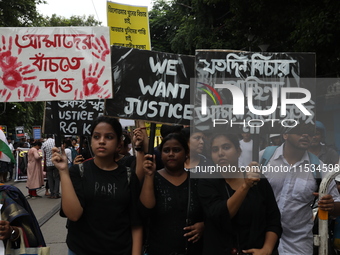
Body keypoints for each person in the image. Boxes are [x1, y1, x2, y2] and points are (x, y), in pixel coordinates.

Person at [51, 116, 142, 255]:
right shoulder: (78, 171)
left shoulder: (129, 175)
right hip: (81, 250)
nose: (101, 141)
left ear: (119, 143)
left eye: (109, 137)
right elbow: (74, 215)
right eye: (96, 136)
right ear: (91, 141)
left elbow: (136, 222)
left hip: (120, 250)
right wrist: (64, 172)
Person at [198, 133, 282, 255]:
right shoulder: (207, 182)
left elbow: (273, 219)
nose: (220, 153)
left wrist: (267, 249)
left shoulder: (258, 180)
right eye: (215, 150)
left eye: (226, 147)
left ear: (238, 151)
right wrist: (245, 186)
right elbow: (219, 215)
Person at [261, 133, 340, 255]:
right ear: (285, 134)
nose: (306, 135)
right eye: (299, 130)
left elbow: (337, 204)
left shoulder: (319, 168)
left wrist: (331, 206)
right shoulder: (263, 158)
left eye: (309, 131)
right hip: (260, 240)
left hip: (298, 245)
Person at [140, 133, 204, 255]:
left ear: (186, 153)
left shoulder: (196, 181)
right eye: (166, 150)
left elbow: (210, 212)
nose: (171, 154)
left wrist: (203, 226)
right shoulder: (153, 178)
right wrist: (149, 176)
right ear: (160, 154)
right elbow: (145, 211)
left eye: (176, 150)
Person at [42, 134, 60, 199]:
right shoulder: (55, 142)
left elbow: (43, 155)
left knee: (50, 179)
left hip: (48, 163)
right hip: (56, 163)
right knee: (57, 178)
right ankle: (56, 193)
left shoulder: (44, 144)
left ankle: (52, 193)